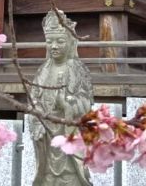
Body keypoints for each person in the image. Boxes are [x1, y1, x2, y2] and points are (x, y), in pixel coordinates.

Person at [28, 10, 93, 186]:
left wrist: (68, 104)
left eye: (60, 41)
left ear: (71, 43)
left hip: (68, 133)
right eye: (49, 42)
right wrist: (37, 109)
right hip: (48, 137)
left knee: (69, 177)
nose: (54, 46)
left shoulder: (78, 70)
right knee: (48, 177)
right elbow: (33, 98)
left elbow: (87, 104)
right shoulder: (43, 71)